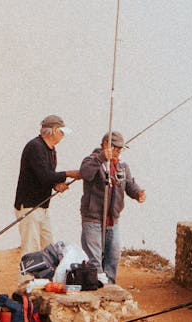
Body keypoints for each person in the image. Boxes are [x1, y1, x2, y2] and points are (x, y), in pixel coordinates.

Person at [79, 130, 146, 284]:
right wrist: (102, 157)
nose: (118, 151)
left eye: (120, 149)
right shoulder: (91, 160)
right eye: (116, 148)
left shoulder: (122, 166)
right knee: (94, 258)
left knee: (113, 256)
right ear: (105, 145)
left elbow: (129, 184)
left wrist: (138, 193)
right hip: (93, 219)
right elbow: (85, 173)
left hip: (112, 220)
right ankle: (96, 287)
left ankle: (109, 287)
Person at [14, 115, 80, 256]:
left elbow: (44, 177)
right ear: (55, 130)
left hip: (42, 207)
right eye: (62, 131)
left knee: (49, 247)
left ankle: (45, 278)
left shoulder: (50, 150)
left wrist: (56, 185)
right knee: (31, 249)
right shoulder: (35, 147)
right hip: (29, 207)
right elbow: (44, 176)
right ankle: (27, 278)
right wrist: (69, 173)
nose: (63, 135)